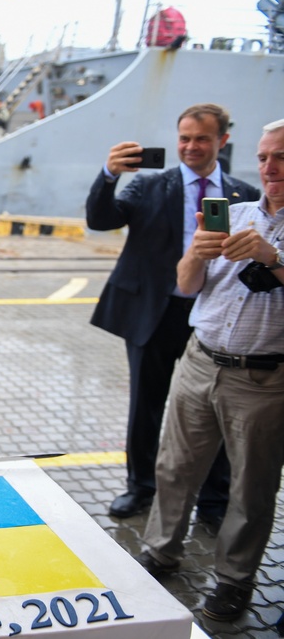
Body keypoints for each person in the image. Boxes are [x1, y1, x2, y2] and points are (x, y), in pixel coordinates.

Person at [135, 118, 284, 622]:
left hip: (264, 379)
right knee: (174, 467)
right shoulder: (233, 213)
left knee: (251, 486)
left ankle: (235, 581)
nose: (270, 168)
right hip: (200, 362)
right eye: (263, 157)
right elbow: (187, 284)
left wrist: (274, 258)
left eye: (281, 157)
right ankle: (159, 550)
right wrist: (195, 256)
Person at [85, 103, 260, 524]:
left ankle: (215, 500)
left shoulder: (243, 195)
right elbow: (100, 219)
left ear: (223, 140)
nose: (191, 146)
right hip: (154, 311)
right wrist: (110, 175)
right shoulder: (148, 185)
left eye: (202, 138)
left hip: (214, 315)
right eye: (184, 138)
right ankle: (140, 488)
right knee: (146, 404)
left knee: (218, 408)